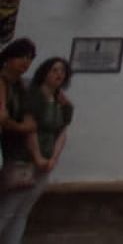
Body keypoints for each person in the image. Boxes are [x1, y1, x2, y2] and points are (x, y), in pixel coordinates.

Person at [0, 56, 72, 243]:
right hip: (24, 160)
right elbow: (30, 129)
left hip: (46, 161)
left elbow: (62, 132)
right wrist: (37, 156)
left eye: (62, 71)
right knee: (8, 209)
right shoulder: (34, 97)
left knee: (23, 211)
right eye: (54, 70)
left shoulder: (62, 103)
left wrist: (53, 158)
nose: (59, 74)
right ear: (45, 73)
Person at [0, 40, 38, 231]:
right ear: (8, 57)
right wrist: (22, 127)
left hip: (13, 150)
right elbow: (2, 117)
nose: (26, 62)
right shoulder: (2, 81)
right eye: (21, 56)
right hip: (4, 146)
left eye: (29, 58)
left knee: (12, 208)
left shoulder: (22, 86)